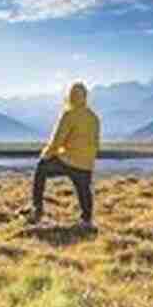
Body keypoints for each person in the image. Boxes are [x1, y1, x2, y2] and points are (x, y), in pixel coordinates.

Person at [30, 82, 100, 226]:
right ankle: (87, 221)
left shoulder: (69, 114)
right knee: (84, 190)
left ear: (70, 96)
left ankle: (37, 209)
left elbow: (56, 141)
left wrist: (45, 155)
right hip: (86, 163)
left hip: (68, 160)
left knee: (41, 169)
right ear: (85, 97)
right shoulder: (94, 117)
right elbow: (95, 142)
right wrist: (89, 161)